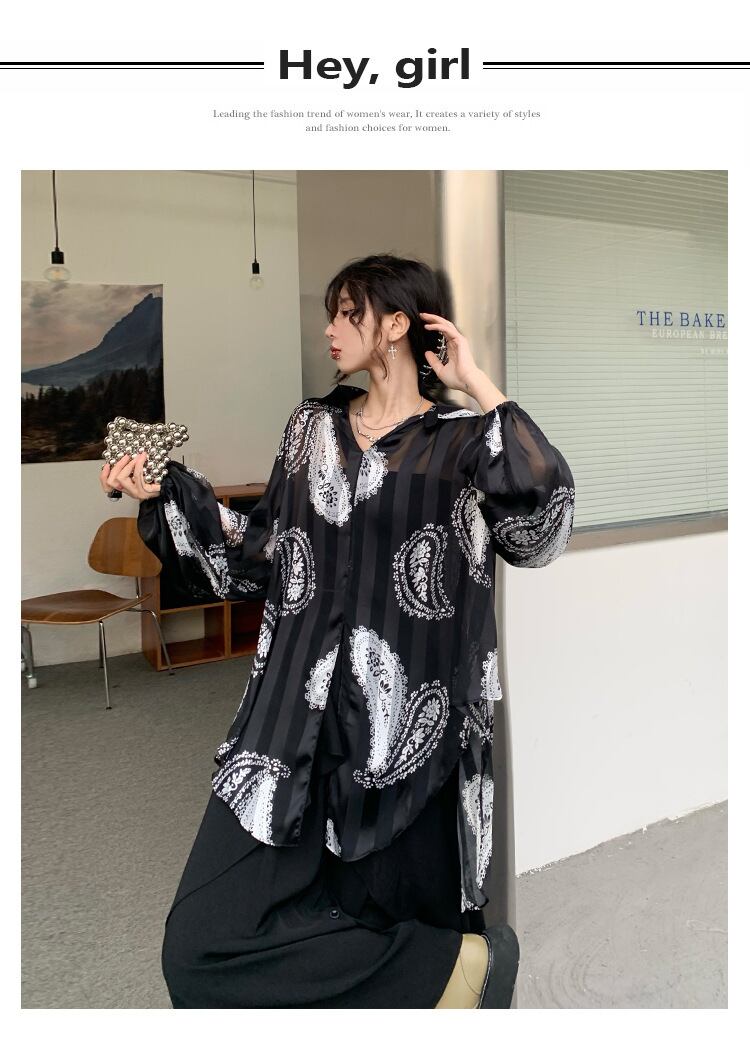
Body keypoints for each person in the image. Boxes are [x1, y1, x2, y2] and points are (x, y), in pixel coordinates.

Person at [100, 253, 575, 1008]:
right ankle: (451, 969)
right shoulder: (310, 428)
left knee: (381, 917)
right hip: (291, 724)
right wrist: (164, 493)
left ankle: (455, 970)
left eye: (347, 313)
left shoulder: (462, 441)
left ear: (396, 324)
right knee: (201, 944)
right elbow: (263, 553)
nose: (329, 329)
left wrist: (476, 383)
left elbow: (541, 529)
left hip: (409, 744)